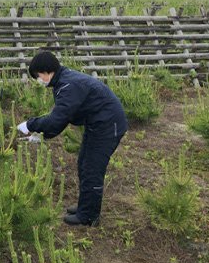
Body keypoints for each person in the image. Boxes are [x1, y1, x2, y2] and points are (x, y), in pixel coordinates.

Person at [17, 51, 127, 227]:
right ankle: (85, 206)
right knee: (84, 163)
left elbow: (57, 118)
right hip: (98, 124)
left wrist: (30, 125)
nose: (38, 80)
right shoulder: (63, 81)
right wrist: (42, 135)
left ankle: (89, 216)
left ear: (46, 71)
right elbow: (61, 120)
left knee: (92, 168)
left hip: (108, 126)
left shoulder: (68, 85)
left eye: (37, 76)